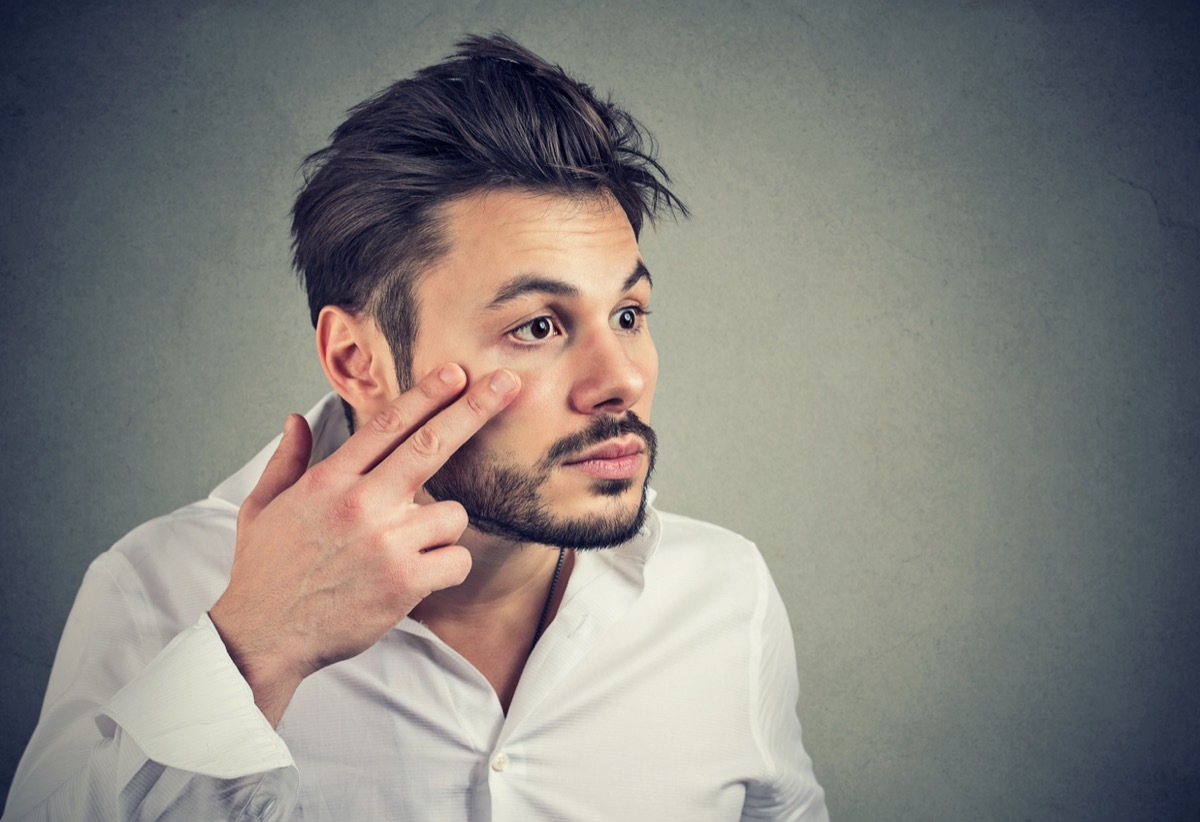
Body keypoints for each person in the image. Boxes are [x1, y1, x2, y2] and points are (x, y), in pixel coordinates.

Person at [4, 34, 828, 821]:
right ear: (359, 360)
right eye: (537, 326)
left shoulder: (727, 594)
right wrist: (254, 653)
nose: (624, 379)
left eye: (627, 312)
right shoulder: (158, 591)